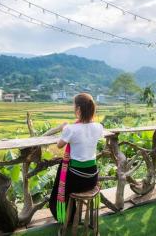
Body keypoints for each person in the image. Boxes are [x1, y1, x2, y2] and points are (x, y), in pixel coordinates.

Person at [49, 93, 104, 223]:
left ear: (78, 109)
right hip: (92, 178)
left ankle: (66, 218)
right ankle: (74, 216)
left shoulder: (71, 129)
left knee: (59, 185)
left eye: (74, 106)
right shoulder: (98, 127)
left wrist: (64, 128)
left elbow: (59, 145)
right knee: (66, 171)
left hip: (77, 180)